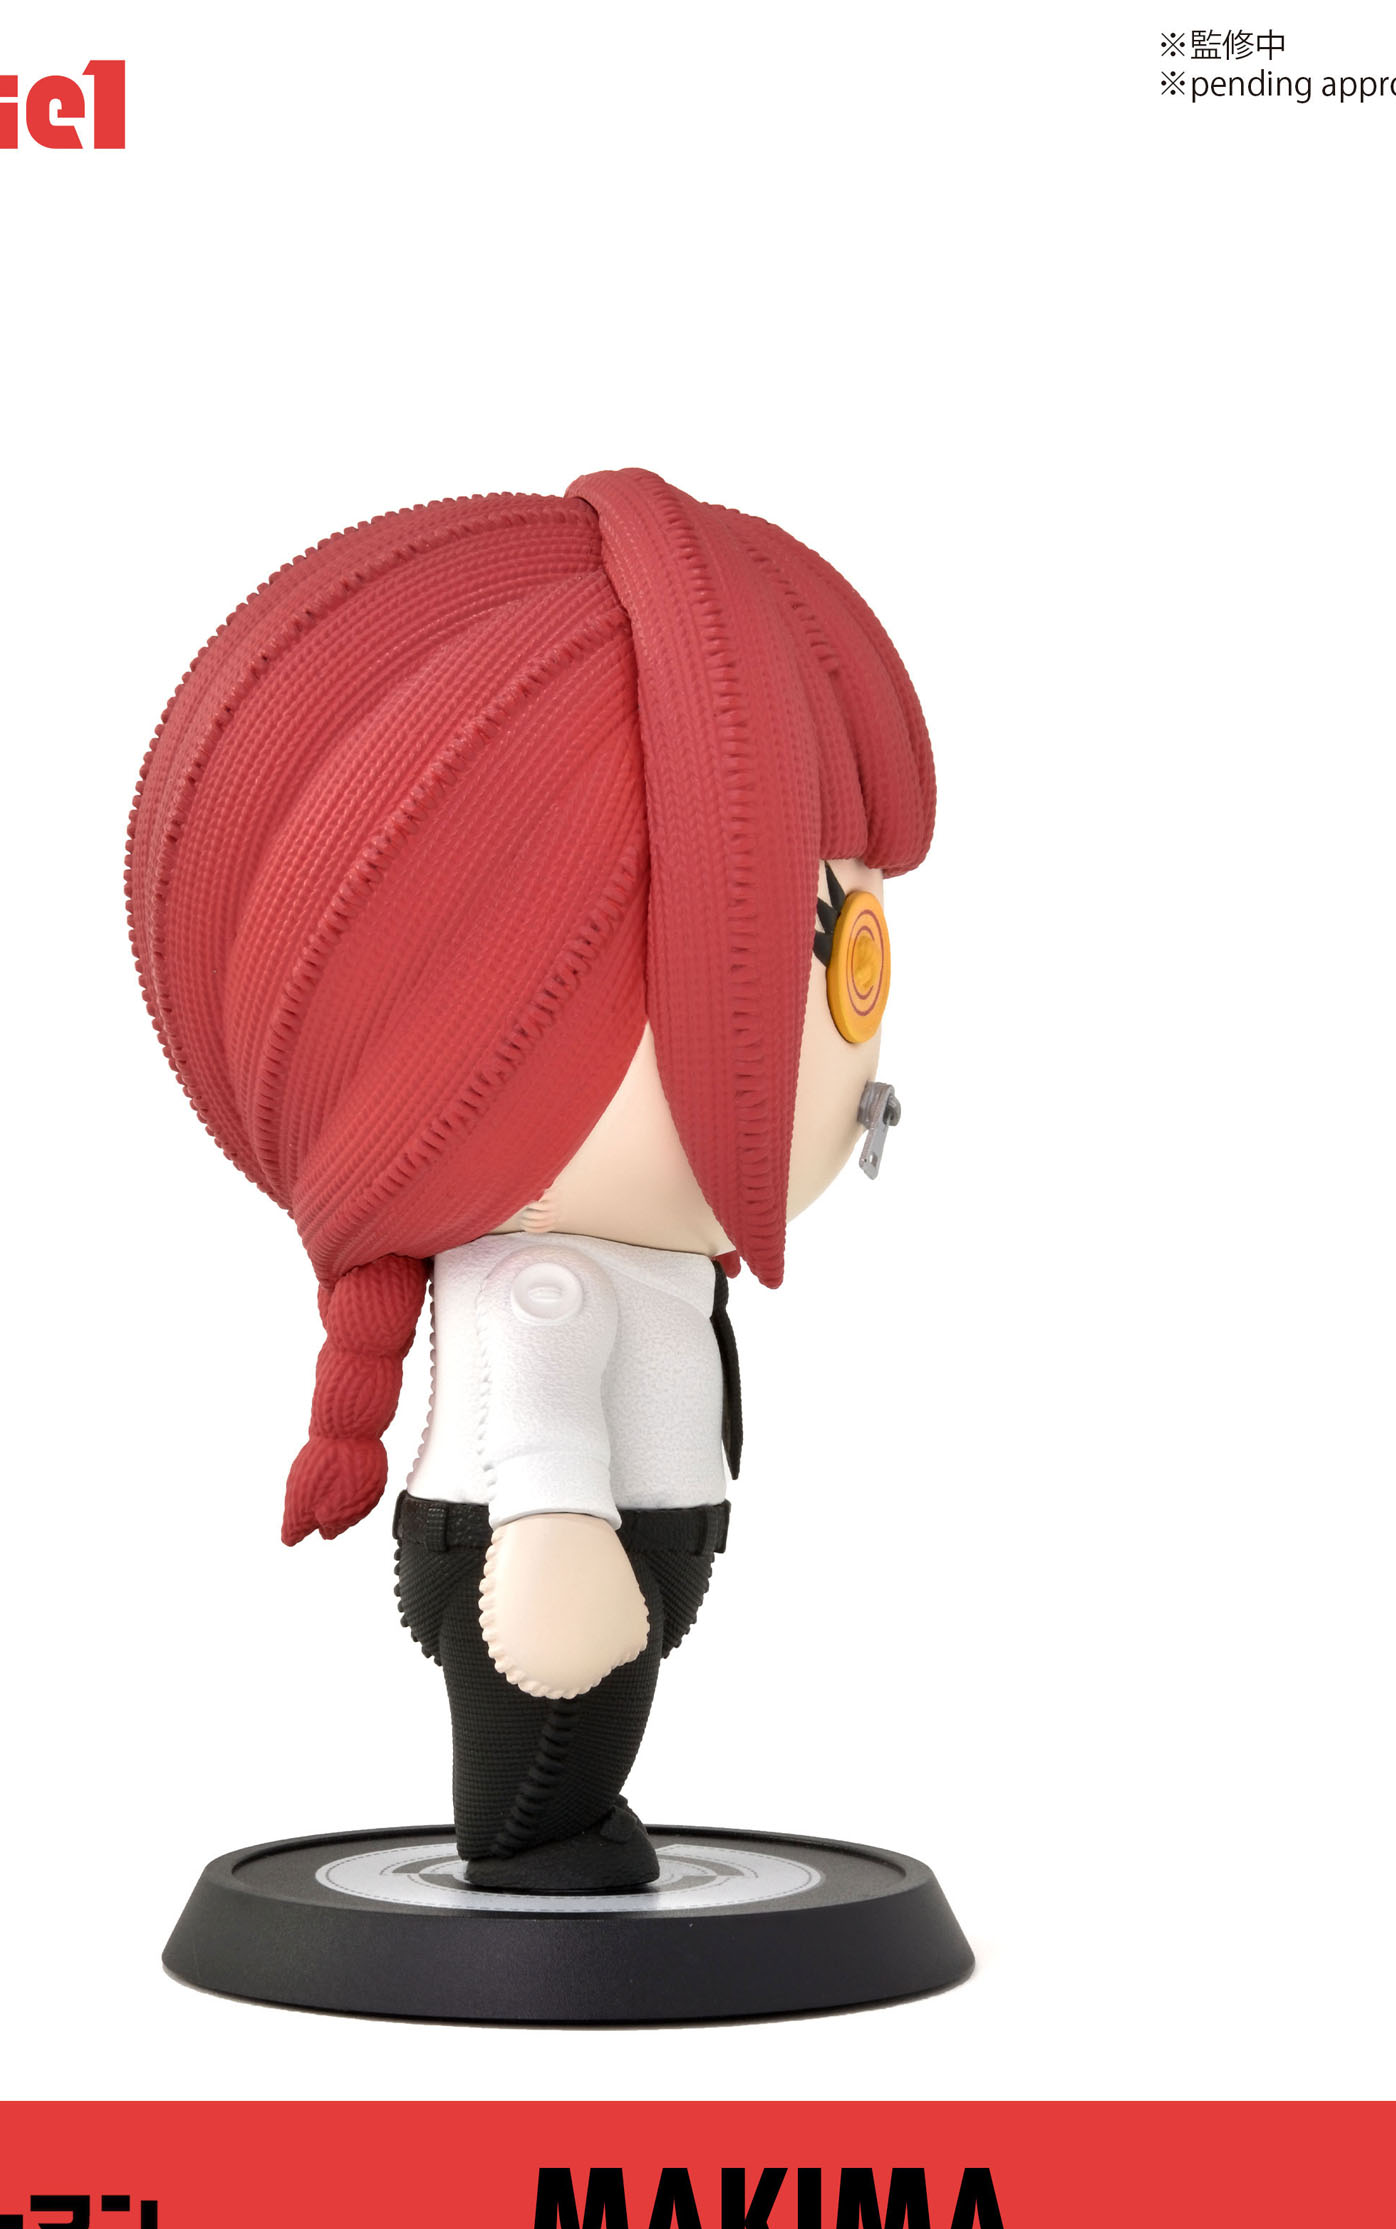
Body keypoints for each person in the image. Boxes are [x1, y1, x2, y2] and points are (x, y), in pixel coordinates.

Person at [126, 467, 934, 1891]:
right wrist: (555, 1548)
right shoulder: (545, 1278)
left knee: (593, 1736)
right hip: (534, 1556)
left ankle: (569, 1826)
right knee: (551, 1750)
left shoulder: (640, 1260)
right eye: (825, 949)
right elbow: (543, 1429)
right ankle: (532, 1843)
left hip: (618, 1542)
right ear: (497, 1018)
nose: (856, 1036)